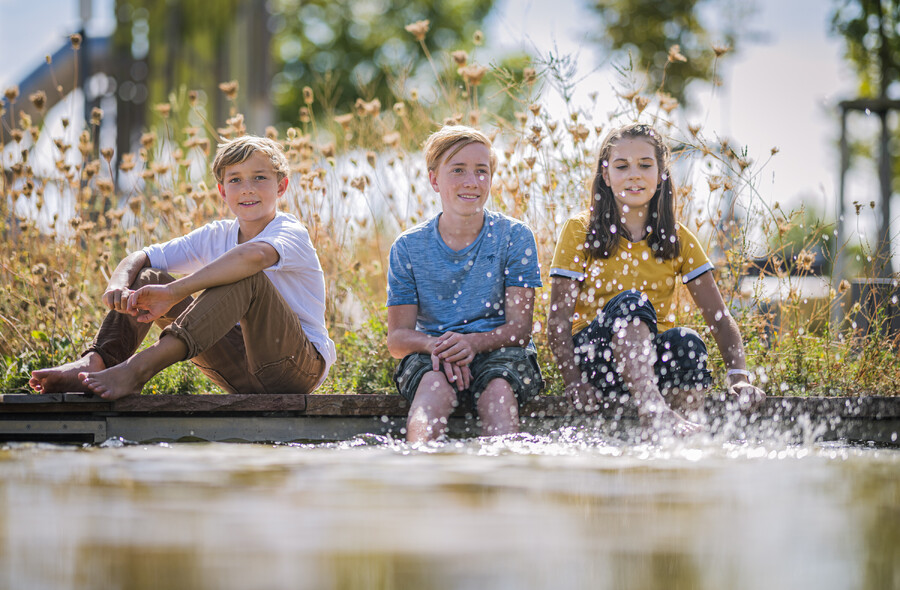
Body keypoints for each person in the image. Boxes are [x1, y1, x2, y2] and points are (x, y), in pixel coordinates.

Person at [29, 135, 336, 400]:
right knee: (147, 276)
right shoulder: (217, 234)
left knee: (246, 278)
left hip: (295, 368)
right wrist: (118, 284)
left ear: (281, 187)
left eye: (259, 177)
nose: (247, 188)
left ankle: (137, 370)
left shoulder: (290, 231)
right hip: (237, 371)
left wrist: (173, 292)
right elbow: (143, 256)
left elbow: (253, 258)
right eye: (235, 179)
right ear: (222, 191)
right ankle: (96, 363)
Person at [547, 123, 765, 437]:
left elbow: (720, 319)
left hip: (651, 360)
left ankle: (685, 438)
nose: (634, 174)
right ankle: (653, 410)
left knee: (687, 341)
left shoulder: (678, 239)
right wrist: (573, 381)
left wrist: (739, 376)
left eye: (645, 165)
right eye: (622, 166)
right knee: (631, 302)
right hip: (596, 360)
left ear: (661, 173)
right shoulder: (580, 230)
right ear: (606, 176)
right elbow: (557, 321)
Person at [386, 125, 544, 443]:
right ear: (434, 179)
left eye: (481, 171)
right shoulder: (408, 247)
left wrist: (470, 344)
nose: (472, 182)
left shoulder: (515, 237)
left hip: (502, 350)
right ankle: (420, 468)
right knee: (433, 388)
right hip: (434, 351)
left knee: (497, 391)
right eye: (458, 170)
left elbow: (519, 331)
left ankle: (503, 472)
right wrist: (437, 346)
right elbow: (398, 340)